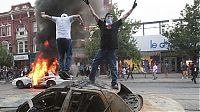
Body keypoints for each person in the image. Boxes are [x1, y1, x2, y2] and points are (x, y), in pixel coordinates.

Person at [83, 0, 137, 89]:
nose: (110, 18)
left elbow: (125, 15)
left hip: (111, 51)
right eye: (109, 17)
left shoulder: (116, 25)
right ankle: (91, 79)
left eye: (111, 17)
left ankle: (114, 83)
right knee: (95, 63)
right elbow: (94, 14)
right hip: (102, 50)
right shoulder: (102, 24)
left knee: (113, 67)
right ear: (106, 18)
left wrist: (132, 8)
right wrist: (89, 4)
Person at [41, 12, 84, 80]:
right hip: (67, 39)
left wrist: (43, 15)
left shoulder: (57, 19)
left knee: (61, 56)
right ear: (66, 16)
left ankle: (61, 70)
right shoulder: (68, 18)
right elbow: (78, 16)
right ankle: (66, 70)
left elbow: (48, 17)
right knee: (69, 55)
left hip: (59, 39)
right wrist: (82, 23)